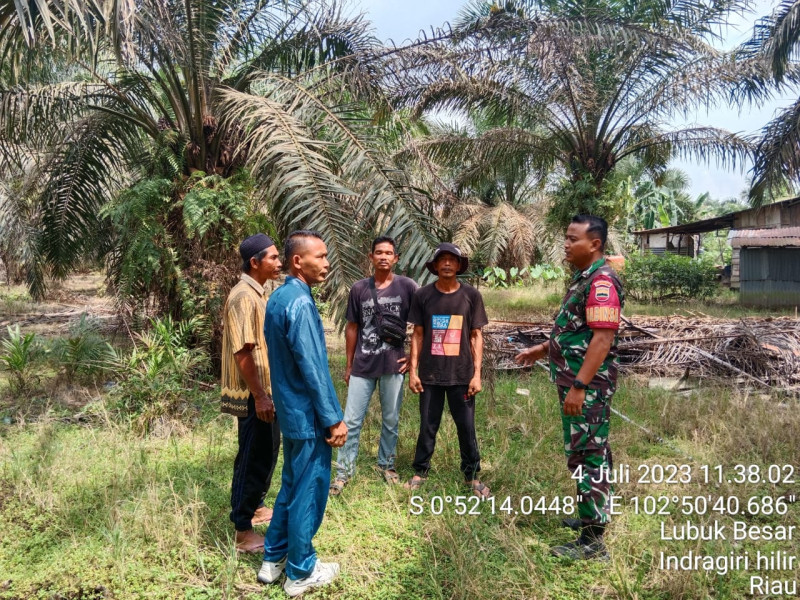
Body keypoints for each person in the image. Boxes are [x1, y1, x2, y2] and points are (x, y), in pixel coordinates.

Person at [515, 214, 624, 561]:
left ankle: (594, 542)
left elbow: (603, 338)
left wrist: (579, 385)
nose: (566, 244)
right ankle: (590, 516)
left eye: (572, 238)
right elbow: (576, 331)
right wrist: (543, 349)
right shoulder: (583, 279)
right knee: (583, 452)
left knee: (589, 455)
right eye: (566, 237)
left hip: (587, 387)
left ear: (594, 244)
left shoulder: (602, 282)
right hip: (576, 382)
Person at [258, 230, 348, 597]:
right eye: (321, 256)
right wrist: (333, 418)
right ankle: (301, 571)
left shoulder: (278, 299)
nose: (327, 264)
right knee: (309, 491)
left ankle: (272, 560)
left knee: (291, 486)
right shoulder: (300, 303)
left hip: (290, 413)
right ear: (298, 261)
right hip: (309, 417)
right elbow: (312, 367)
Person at [330, 236, 418, 495]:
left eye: (388, 253)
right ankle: (343, 472)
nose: (383, 257)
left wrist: (413, 358)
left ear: (396, 258)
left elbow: (421, 324)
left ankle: (387, 465)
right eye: (378, 252)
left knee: (391, 419)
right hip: (363, 364)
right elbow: (352, 327)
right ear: (370, 257)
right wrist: (348, 364)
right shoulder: (359, 289)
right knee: (351, 420)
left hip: (393, 364)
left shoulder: (408, 287)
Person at [405, 242, 490, 498]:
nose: (447, 264)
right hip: (430, 374)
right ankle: (420, 471)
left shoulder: (471, 296)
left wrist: (476, 374)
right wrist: (413, 371)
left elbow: (476, 336)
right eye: (441, 259)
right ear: (434, 266)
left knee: (466, 426)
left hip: (462, 375)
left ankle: (472, 475)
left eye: (452, 260)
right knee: (428, 425)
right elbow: (417, 334)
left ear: (458, 265)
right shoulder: (422, 296)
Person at [220, 233, 282, 553]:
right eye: (272, 257)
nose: (279, 262)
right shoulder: (244, 296)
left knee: (266, 449)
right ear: (254, 262)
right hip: (252, 393)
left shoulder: (257, 293)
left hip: (262, 390)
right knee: (253, 455)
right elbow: (243, 352)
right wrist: (259, 395)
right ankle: (242, 530)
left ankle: (255, 507)